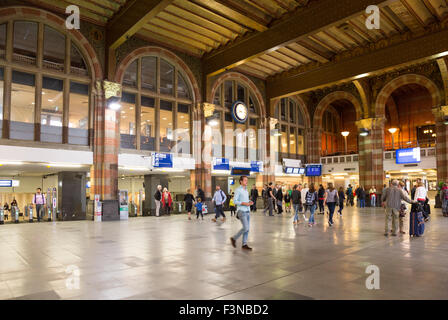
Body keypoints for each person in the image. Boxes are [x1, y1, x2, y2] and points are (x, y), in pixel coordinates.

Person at [230, 176, 253, 251]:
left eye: (247, 180)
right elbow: (235, 201)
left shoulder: (246, 190)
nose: (247, 181)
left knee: (247, 229)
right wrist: (244, 203)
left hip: (247, 211)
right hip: (241, 211)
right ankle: (234, 238)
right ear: (241, 181)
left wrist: (249, 202)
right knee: (245, 228)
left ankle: (244, 244)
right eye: (245, 180)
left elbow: (246, 200)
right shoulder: (238, 190)